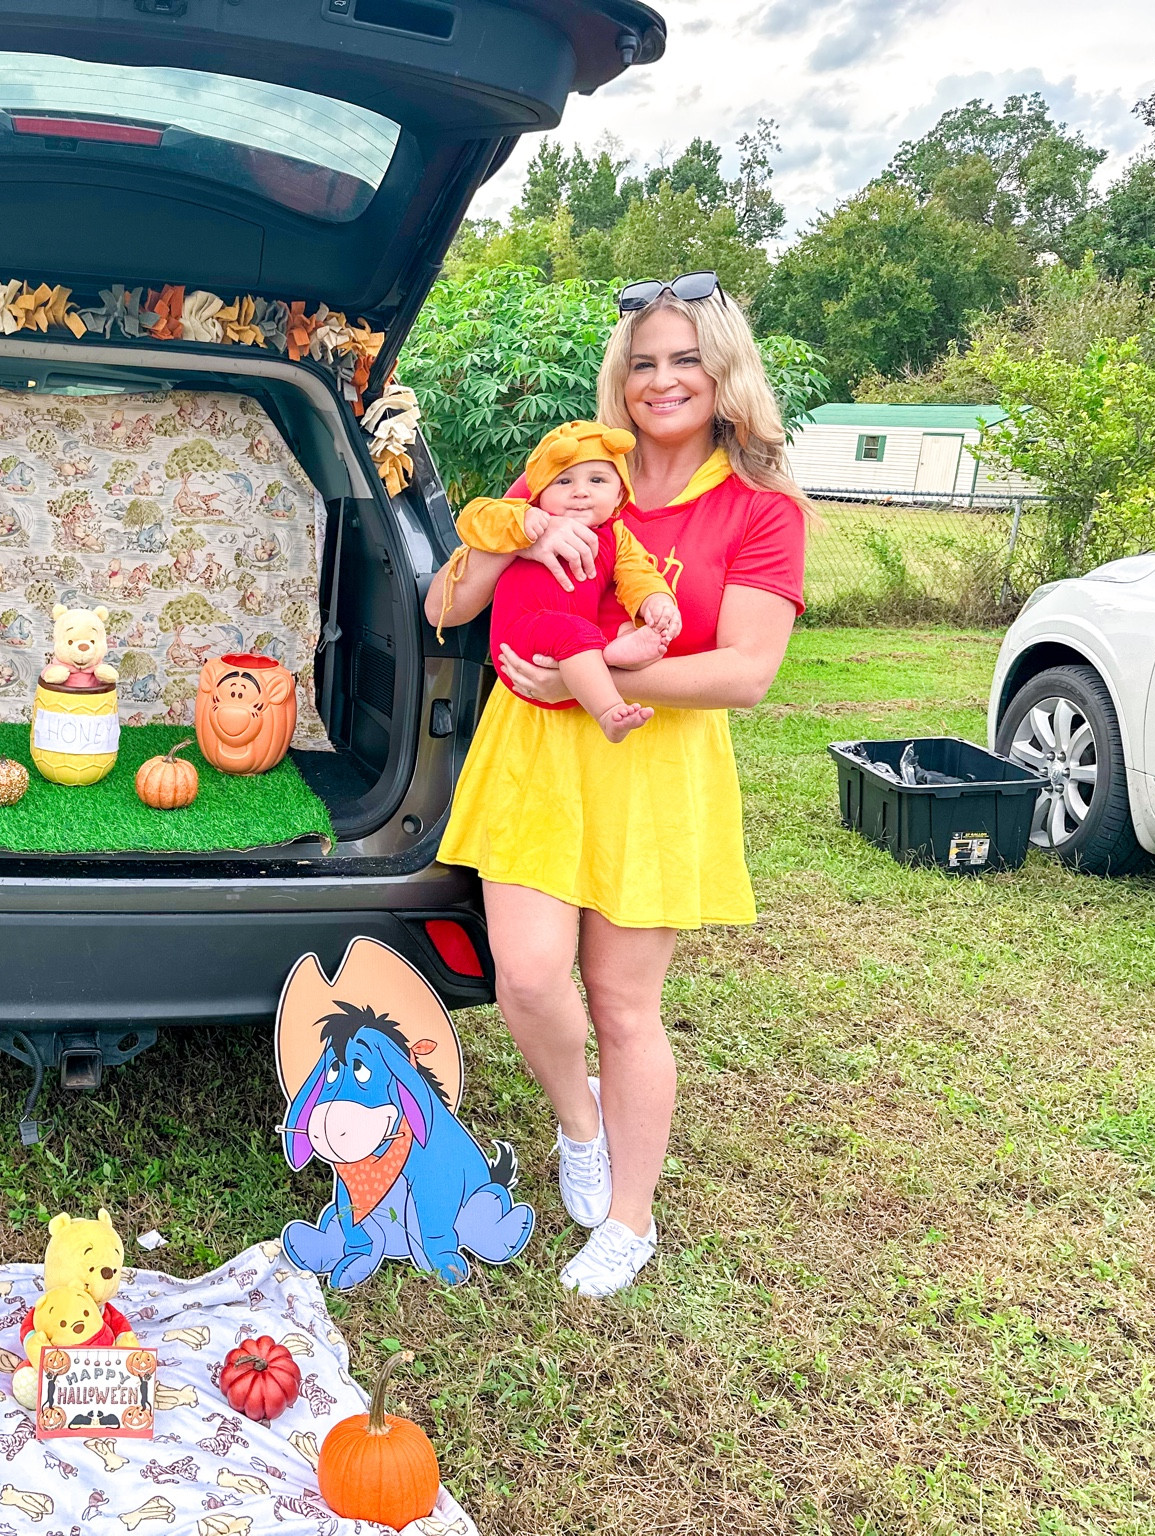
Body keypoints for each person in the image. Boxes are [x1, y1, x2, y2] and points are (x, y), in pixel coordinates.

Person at [424, 272, 808, 1297]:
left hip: (653, 769)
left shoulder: (758, 509)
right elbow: (444, 606)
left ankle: (628, 1219)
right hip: (534, 765)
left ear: (724, 373)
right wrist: (516, 533)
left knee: (624, 1005)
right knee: (526, 978)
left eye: (686, 360)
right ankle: (578, 1122)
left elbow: (746, 672)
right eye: (643, 363)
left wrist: (592, 676)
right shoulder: (572, 469)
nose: (661, 381)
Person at [434, 420, 680, 744]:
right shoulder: (528, 517)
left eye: (597, 480)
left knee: (620, 624)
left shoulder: (618, 537)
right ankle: (609, 711)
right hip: (523, 636)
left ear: (620, 492)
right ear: (539, 492)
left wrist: (656, 600)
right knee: (573, 631)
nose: (580, 491)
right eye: (563, 481)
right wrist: (522, 525)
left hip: (574, 648)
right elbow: (473, 517)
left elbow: (639, 574)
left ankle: (613, 653)